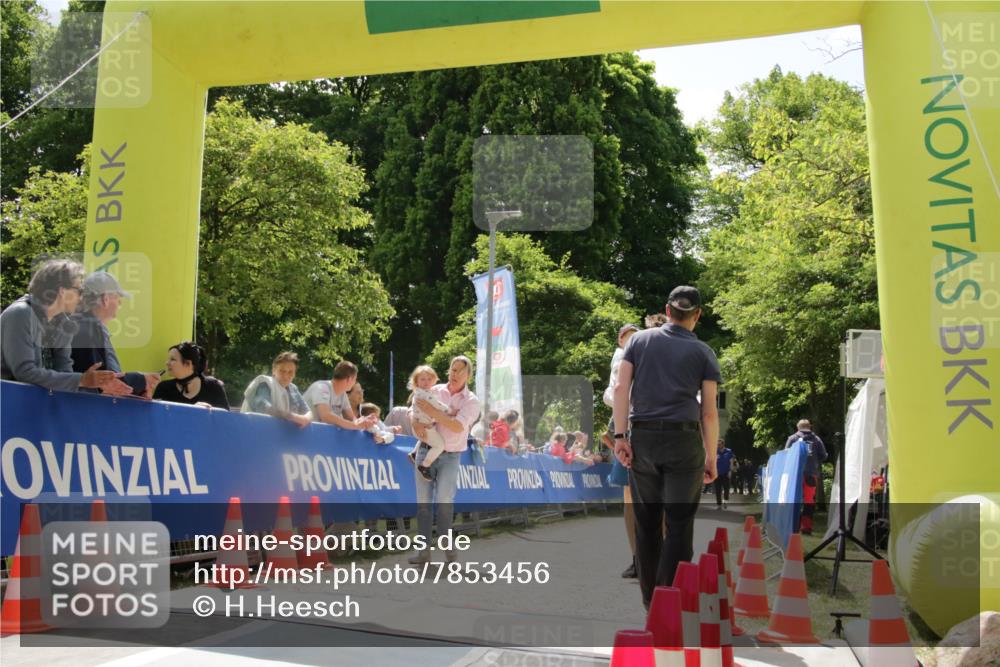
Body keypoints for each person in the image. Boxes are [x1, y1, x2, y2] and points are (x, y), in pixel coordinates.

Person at [613, 285, 721, 610]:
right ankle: (670, 604)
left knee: (646, 524)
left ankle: (650, 604)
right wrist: (711, 456)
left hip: (643, 438)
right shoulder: (704, 352)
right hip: (684, 442)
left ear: (667, 309)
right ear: (697, 315)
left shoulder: (638, 341)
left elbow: (620, 388)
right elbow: (710, 411)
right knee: (679, 523)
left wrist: (620, 437)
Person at [1, 259, 130, 395]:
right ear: (62, 290)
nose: (81, 297)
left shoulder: (64, 324)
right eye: (79, 290)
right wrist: (82, 380)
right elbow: (25, 373)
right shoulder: (21, 314)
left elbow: (64, 372)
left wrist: (96, 387)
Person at [407, 355, 480, 565]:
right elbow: (414, 406)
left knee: (444, 503)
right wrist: (414, 420)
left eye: (459, 370)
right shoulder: (434, 389)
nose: (454, 374)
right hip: (425, 450)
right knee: (422, 505)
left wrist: (432, 413)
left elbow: (457, 426)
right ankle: (423, 553)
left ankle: (449, 554)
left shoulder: (471, 401)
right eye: (452, 369)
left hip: (450, 456)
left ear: (468, 375)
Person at [70, 271, 160, 398]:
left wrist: (140, 386)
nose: (120, 303)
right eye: (118, 297)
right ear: (105, 299)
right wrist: (141, 381)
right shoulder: (88, 330)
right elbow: (102, 384)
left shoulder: (85, 327)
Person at [240, 351, 311, 427]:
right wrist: (293, 417)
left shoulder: (293, 389)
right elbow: (263, 407)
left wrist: (306, 418)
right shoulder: (265, 383)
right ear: (274, 370)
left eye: (290, 372)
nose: (286, 376)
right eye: (282, 371)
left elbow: (308, 412)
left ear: (295, 373)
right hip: (252, 430)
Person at [153, 341, 230, 409]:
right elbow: (155, 420)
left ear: (188, 364)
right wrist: (192, 411)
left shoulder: (214, 387)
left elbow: (225, 420)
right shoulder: (163, 388)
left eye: (172, 359)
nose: (167, 363)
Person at [405, 365, 450, 481]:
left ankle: (414, 454)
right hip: (423, 427)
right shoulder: (425, 394)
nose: (426, 382)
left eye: (429, 379)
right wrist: (450, 411)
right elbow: (437, 405)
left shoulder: (422, 392)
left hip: (423, 425)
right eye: (423, 379)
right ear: (416, 381)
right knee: (440, 445)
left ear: (434, 380)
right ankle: (425, 466)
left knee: (425, 438)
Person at [303, 360, 376, 430]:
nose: (355, 383)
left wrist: (364, 421)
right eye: (355, 379)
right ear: (349, 379)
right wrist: (354, 426)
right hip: (301, 435)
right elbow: (326, 416)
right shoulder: (321, 387)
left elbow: (352, 419)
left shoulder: (342, 394)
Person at [785, 419, 829, 534]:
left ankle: (794, 525)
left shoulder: (792, 438)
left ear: (797, 427)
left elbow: (786, 454)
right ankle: (806, 527)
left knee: (795, 500)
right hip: (811, 474)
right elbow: (824, 456)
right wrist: (814, 461)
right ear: (810, 427)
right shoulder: (816, 439)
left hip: (795, 475)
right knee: (809, 502)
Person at [715, 440, 734, 509]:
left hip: (726, 473)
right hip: (717, 474)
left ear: (723, 444)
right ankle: (719, 505)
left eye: (719, 444)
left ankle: (725, 501)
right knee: (718, 490)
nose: (718, 446)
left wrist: (730, 471)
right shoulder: (715, 451)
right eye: (717, 445)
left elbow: (731, 462)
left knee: (726, 489)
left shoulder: (729, 451)